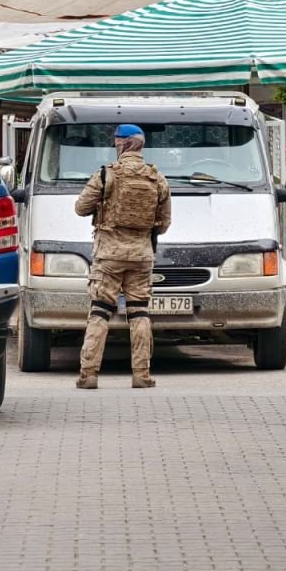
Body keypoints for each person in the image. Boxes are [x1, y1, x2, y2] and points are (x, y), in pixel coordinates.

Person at [74, 124, 172, 390]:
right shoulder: (157, 178)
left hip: (109, 254)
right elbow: (163, 224)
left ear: (122, 144)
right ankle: (142, 375)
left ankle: (89, 374)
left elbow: (81, 207)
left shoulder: (107, 175)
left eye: (117, 141)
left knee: (100, 312)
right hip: (141, 255)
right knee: (139, 312)